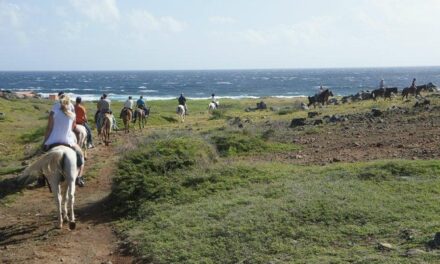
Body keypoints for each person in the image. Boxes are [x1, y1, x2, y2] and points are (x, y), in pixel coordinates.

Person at [44, 95, 85, 187]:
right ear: (69, 103)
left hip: (52, 140)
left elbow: (49, 128)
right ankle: (79, 177)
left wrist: (45, 141)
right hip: (68, 141)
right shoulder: (72, 115)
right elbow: (72, 128)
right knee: (81, 156)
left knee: (41, 157)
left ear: (60, 102)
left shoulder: (53, 113)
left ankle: (41, 178)